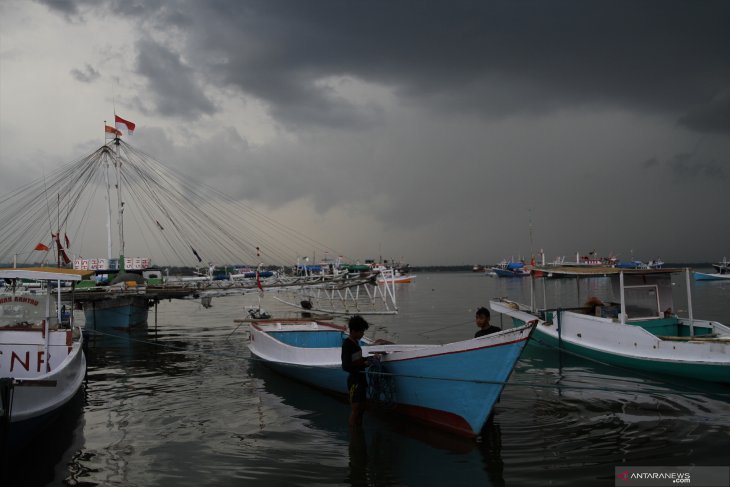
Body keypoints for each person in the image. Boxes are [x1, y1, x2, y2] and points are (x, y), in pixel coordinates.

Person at [342, 315, 370, 428]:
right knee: (356, 409)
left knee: (362, 408)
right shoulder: (347, 345)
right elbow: (346, 366)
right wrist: (364, 364)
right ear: (353, 331)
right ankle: (354, 437)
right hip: (354, 381)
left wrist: (369, 359)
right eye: (361, 331)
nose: (363, 334)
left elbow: (358, 360)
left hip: (361, 380)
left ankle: (359, 429)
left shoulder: (356, 343)